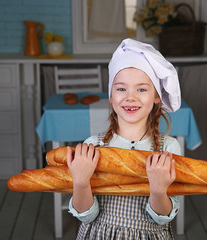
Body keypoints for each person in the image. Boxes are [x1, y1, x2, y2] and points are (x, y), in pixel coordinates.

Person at [67, 38, 182, 239]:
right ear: (111, 95)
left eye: (142, 89)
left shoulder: (168, 149)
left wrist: (157, 190)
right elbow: (86, 216)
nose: (130, 97)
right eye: (121, 88)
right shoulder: (92, 147)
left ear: (157, 97)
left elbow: (163, 217)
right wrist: (80, 182)